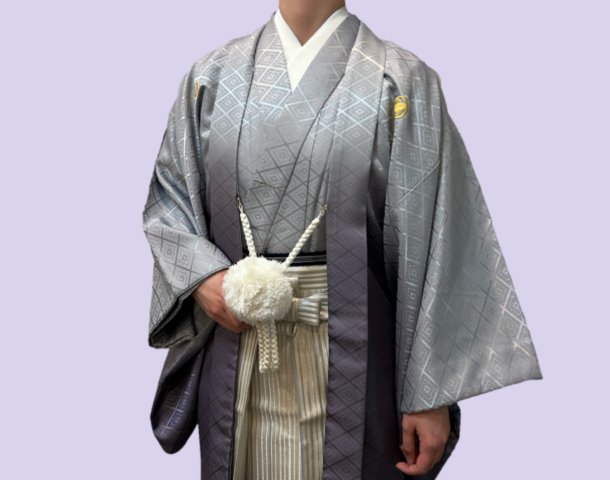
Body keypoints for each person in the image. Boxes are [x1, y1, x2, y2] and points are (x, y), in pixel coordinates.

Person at [142, 1, 542, 478]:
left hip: (354, 350)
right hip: (238, 337)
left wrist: (429, 393)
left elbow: (436, 237)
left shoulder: (400, 79)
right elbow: (170, 200)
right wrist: (203, 279)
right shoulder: (212, 77)